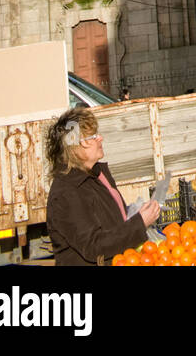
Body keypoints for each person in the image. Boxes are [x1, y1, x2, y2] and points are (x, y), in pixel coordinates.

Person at [45, 106, 161, 266]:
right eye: (91, 137)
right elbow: (94, 246)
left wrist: (136, 214)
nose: (100, 138)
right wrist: (139, 223)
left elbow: (113, 221)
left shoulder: (96, 174)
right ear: (74, 149)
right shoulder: (67, 192)